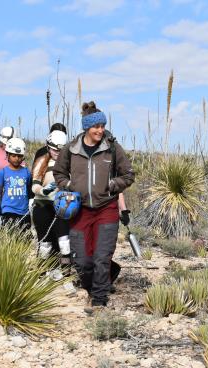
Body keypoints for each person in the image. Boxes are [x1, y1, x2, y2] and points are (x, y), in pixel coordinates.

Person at [53, 101, 134, 311]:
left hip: (106, 208)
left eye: (102, 126)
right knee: (82, 260)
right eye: (96, 126)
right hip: (79, 210)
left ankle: (99, 300)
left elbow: (128, 174)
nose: (100, 130)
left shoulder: (112, 148)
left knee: (101, 257)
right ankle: (94, 287)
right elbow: (59, 173)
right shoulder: (71, 149)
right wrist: (69, 185)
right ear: (86, 127)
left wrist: (113, 185)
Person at [32, 130, 71, 277]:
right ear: (48, 147)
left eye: (61, 150)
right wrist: (43, 191)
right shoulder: (42, 161)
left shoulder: (69, 163)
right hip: (43, 205)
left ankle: (66, 275)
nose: (57, 152)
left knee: (64, 241)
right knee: (45, 243)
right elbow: (34, 185)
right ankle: (41, 273)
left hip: (62, 205)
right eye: (55, 149)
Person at [0, 137, 31, 233]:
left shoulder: (27, 172)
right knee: (9, 237)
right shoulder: (2, 172)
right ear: (8, 155)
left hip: (24, 212)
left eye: (19, 156)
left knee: (25, 240)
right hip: (8, 211)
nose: (17, 159)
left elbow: (30, 191)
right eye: (14, 156)